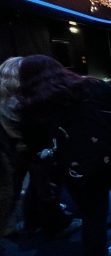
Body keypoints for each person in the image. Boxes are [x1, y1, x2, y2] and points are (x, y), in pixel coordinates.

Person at [17, 55, 111, 256]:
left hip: (76, 165)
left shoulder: (31, 106)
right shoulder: (92, 84)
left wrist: (43, 183)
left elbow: (35, 151)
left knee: (93, 215)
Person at [0, 57, 81, 238]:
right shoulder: (25, 99)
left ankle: (19, 222)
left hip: (13, 151)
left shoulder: (4, 96)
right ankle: (54, 224)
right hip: (32, 150)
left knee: (15, 189)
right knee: (45, 187)